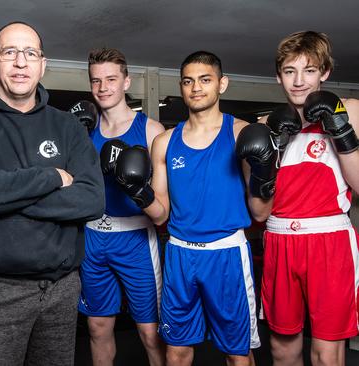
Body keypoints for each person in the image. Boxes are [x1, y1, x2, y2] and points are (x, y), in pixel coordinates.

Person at [0, 21, 105, 365]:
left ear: (43, 65)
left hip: (60, 288)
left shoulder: (68, 127)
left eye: (30, 53)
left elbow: (91, 199)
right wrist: (50, 177)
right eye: (10, 52)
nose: (20, 62)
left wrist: (7, 194)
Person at [141, 51, 277, 366]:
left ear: (222, 84)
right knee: (176, 351)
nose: (196, 88)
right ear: (181, 87)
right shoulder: (164, 142)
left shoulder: (242, 134)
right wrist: (138, 191)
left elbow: (260, 213)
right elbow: (160, 213)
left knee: (237, 352)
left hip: (226, 254)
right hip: (179, 254)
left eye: (205, 80)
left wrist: (265, 176)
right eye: (188, 81)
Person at [258, 31, 359, 366]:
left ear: (325, 72)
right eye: (290, 71)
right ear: (278, 76)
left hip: (329, 241)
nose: (299, 81)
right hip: (280, 239)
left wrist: (340, 129)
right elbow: (258, 212)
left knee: (327, 353)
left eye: (309, 70)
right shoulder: (267, 127)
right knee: (282, 350)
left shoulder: (352, 111)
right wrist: (266, 162)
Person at [77, 47, 165, 366]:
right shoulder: (83, 133)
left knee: (150, 332)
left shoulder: (152, 131)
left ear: (126, 82)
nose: (103, 88)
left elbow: (163, 204)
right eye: (96, 80)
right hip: (92, 238)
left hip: (136, 241)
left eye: (111, 79)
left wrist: (136, 186)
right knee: (98, 327)